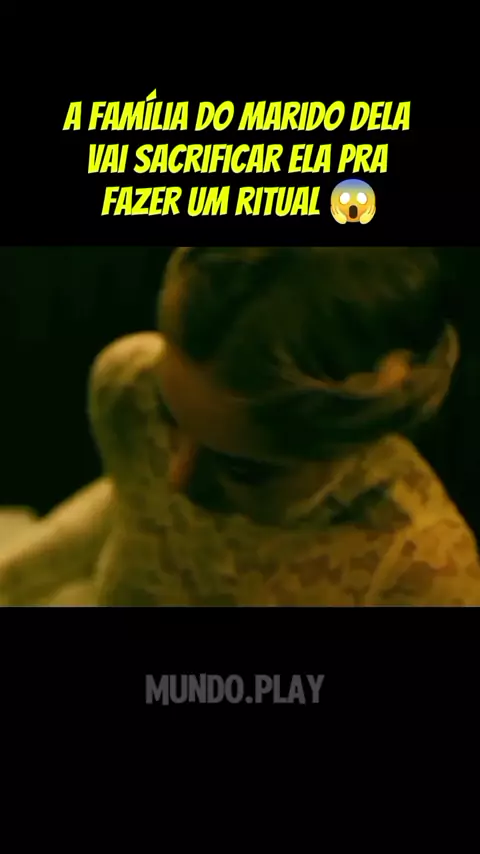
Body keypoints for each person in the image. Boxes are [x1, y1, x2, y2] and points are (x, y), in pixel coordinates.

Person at [1, 246, 479, 606]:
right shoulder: (131, 385)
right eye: (169, 417)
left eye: (244, 469)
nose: (178, 479)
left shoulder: (421, 575)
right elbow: (131, 505)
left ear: (351, 442)